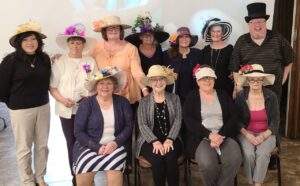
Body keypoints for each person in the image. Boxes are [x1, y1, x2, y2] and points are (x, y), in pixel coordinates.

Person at [0, 21, 51, 186]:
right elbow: (2, 88)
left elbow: (48, 80)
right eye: (26, 40)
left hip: (43, 106)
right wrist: (13, 103)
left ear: (39, 42)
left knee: (42, 145)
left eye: (34, 39)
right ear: (19, 43)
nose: (30, 43)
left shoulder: (44, 58)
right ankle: (27, 180)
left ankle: (40, 176)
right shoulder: (10, 61)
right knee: (24, 148)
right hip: (20, 110)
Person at [49, 23, 97, 185]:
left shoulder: (90, 61)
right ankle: (75, 175)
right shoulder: (60, 61)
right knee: (71, 142)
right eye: (72, 42)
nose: (76, 45)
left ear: (83, 45)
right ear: (68, 44)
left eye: (79, 42)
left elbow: (95, 82)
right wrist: (63, 100)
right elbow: (53, 86)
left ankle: (88, 173)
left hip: (87, 109)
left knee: (88, 141)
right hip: (66, 109)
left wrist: (88, 97)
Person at [73, 66, 133, 186]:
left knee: (114, 169)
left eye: (109, 83)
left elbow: (129, 126)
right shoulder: (86, 104)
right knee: (84, 171)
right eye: (101, 83)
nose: (105, 87)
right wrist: (97, 147)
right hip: (89, 146)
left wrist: (115, 143)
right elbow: (78, 132)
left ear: (114, 86)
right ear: (96, 86)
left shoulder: (123, 102)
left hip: (115, 145)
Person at [183, 65, 242, 186]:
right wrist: (209, 135)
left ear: (214, 80)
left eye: (210, 78)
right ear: (198, 81)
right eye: (203, 78)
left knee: (235, 159)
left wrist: (220, 134)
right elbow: (188, 120)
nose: (207, 81)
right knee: (207, 164)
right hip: (202, 137)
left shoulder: (223, 94)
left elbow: (234, 116)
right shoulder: (192, 96)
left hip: (224, 135)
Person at [229, 2, 295, 99]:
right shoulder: (242, 41)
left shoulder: (277, 38)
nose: (257, 25)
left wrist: (282, 80)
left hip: (273, 91)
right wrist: (238, 87)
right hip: (249, 91)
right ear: (249, 24)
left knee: (271, 114)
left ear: (265, 22)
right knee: (249, 114)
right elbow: (234, 67)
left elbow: (290, 59)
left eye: (260, 21)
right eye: (253, 21)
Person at [136, 65, 181, 186]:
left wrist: (170, 139)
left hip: (172, 138)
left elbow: (178, 120)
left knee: (171, 157)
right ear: (150, 82)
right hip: (148, 140)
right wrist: (155, 141)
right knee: (157, 159)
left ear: (166, 80)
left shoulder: (175, 98)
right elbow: (142, 124)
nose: (158, 82)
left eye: (161, 78)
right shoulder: (144, 102)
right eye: (154, 79)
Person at [235, 64, 279, 186]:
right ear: (248, 80)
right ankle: (252, 182)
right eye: (252, 79)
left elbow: (275, 121)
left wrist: (263, 136)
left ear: (263, 81)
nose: (255, 82)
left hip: (267, 133)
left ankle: (257, 184)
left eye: (259, 79)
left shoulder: (271, 96)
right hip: (246, 133)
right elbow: (236, 120)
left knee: (262, 153)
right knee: (248, 154)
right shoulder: (241, 96)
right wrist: (248, 135)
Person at [92, 15, 149, 104]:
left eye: (116, 28)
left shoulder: (131, 48)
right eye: (110, 29)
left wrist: (144, 89)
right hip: (104, 92)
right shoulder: (96, 48)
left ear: (121, 31)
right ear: (104, 32)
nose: (113, 31)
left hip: (126, 92)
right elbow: (92, 69)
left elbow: (137, 71)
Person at [163, 27, 201, 104]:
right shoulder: (167, 55)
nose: (184, 39)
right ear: (177, 40)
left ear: (190, 39)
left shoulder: (198, 53)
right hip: (174, 97)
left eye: (187, 36)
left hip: (194, 96)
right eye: (181, 37)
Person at [201, 18, 234, 96]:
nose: (216, 34)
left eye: (218, 31)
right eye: (213, 31)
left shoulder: (230, 49)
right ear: (209, 32)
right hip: (208, 88)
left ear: (222, 33)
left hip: (226, 88)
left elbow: (235, 67)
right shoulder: (205, 50)